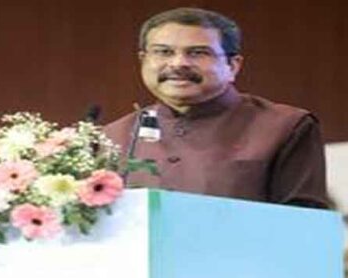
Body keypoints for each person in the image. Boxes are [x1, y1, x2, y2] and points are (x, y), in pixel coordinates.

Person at [104, 7, 329, 208]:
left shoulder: (285, 127)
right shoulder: (111, 137)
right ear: (143, 61)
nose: (178, 63)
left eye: (198, 53)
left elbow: (304, 224)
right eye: (163, 52)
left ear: (232, 65)